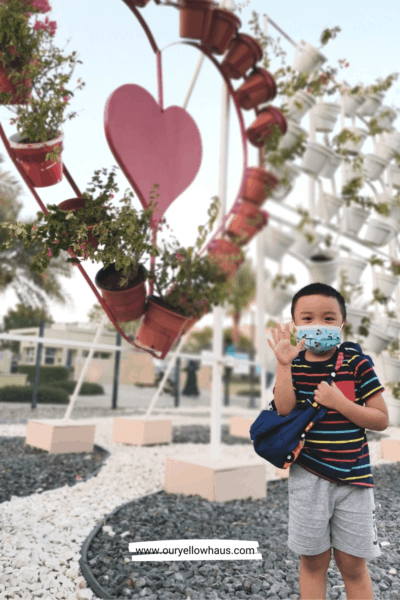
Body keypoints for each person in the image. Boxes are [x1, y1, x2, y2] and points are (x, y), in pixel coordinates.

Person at [267, 282, 389, 600]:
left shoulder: (357, 364)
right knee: (313, 562)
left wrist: (341, 403)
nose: (318, 325)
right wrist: (283, 365)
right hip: (308, 478)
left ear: (342, 324)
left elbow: (380, 418)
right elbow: (283, 410)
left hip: (355, 481)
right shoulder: (292, 364)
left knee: (352, 566)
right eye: (307, 319)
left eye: (328, 318)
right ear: (295, 325)